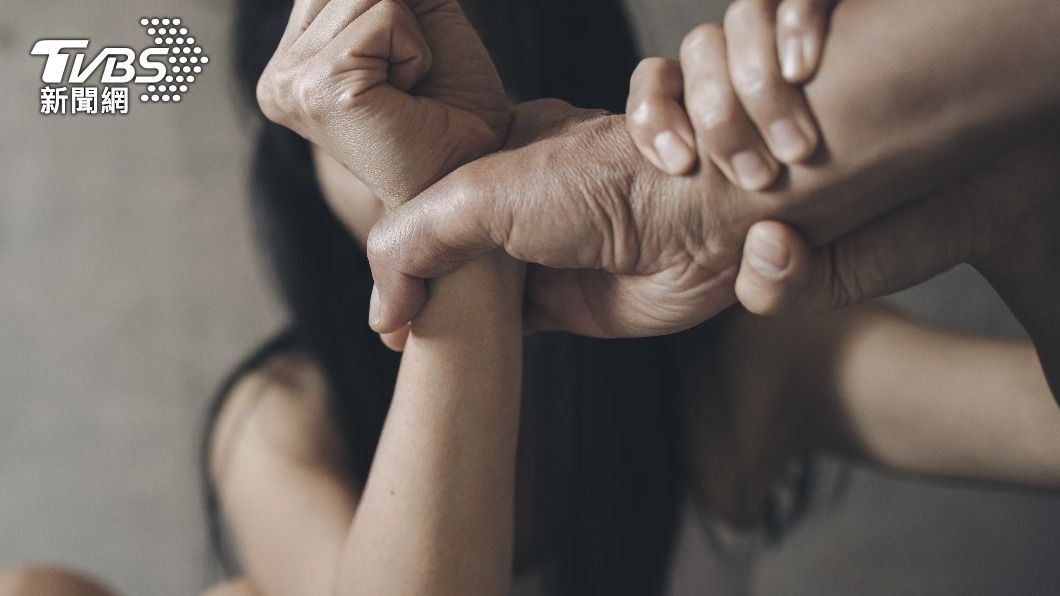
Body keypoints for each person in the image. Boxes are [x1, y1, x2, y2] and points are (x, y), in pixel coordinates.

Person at [202, 1, 1060, 595]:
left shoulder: (743, 348)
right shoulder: (282, 421)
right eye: (384, 95)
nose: (428, 127)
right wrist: (457, 220)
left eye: (434, 86)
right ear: (296, 159)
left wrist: (1024, 223)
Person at [352, 0, 1060, 395]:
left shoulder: (731, 360)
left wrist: (1025, 223)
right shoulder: (280, 427)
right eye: (396, 85)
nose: (445, 134)